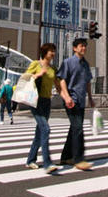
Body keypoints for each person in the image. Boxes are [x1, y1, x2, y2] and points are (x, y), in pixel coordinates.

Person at [56, 38, 95, 170]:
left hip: (81, 100)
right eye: (81, 46)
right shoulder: (67, 62)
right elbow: (61, 80)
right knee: (78, 127)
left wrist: (90, 97)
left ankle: (65, 157)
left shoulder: (86, 64)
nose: (83, 48)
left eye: (85, 46)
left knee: (75, 128)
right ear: (74, 48)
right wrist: (66, 97)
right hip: (71, 100)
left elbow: (88, 81)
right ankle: (79, 159)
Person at [23, 42, 59, 174]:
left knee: (40, 132)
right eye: (51, 51)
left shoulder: (53, 68)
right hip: (35, 101)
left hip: (46, 102)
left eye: (54, 51)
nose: (53, 53)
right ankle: (47, 163)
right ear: (45, 52)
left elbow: (58, 84)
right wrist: (38, 74)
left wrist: (67, 98)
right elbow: (25, 78)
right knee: (46, 129)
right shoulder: (35, 64)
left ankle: (30, 160)